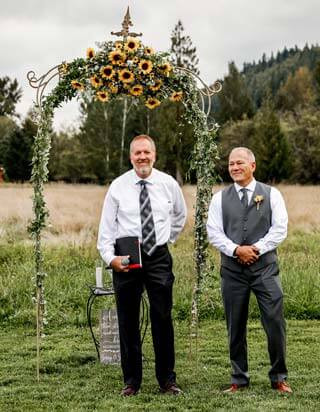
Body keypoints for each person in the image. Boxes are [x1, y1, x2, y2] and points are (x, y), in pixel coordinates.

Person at [97, 134, 187, 396]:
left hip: (158, 256)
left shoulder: (168, 184)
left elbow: (180, 215)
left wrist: (166, 239)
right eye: (137, 153)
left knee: (162, 318)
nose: (142, 157)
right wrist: (110, 259)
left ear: (154, 155)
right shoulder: (118, 186)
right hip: (127, 259)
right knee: (127, 321)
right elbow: (106, 229)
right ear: (130, 157)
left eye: (146, 152)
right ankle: (131, 382)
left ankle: (167, 381)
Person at [206, 147, 292, 394]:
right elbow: (214, 232)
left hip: (265, 269)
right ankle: (239, 378)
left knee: (275, 322)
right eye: (231, 163)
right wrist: (235, 250)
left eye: (239, 163)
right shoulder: (219, 199)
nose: (234, 167)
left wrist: (255, 248)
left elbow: (280, 229)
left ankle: (279, 376)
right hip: (232, 271)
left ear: (252, 166)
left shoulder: (271, 194)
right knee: (235, 325)